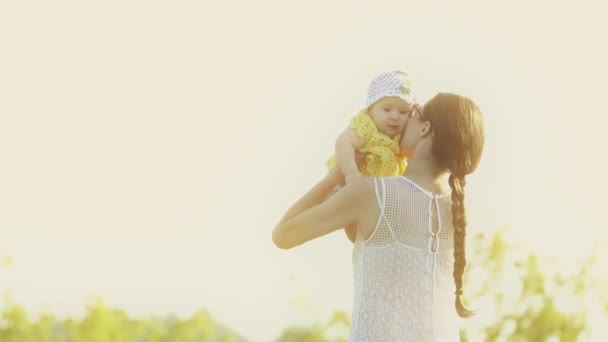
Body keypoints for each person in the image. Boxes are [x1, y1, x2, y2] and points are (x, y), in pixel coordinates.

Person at [272, 92, 485, 341]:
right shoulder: (461, 214)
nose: (403, 119)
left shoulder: (373, 194)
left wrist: (338, 173)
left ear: (425, 129)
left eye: (412, 112)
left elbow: (283, 234)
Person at [326, 70, 417, 185]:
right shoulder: (367, 124)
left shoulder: (404, 132)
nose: (395, 116)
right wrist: (351, 173)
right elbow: (343, 142)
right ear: (370, 109)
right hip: (350, 181)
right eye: (386, 109)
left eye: (403, 112)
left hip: (379, 188)